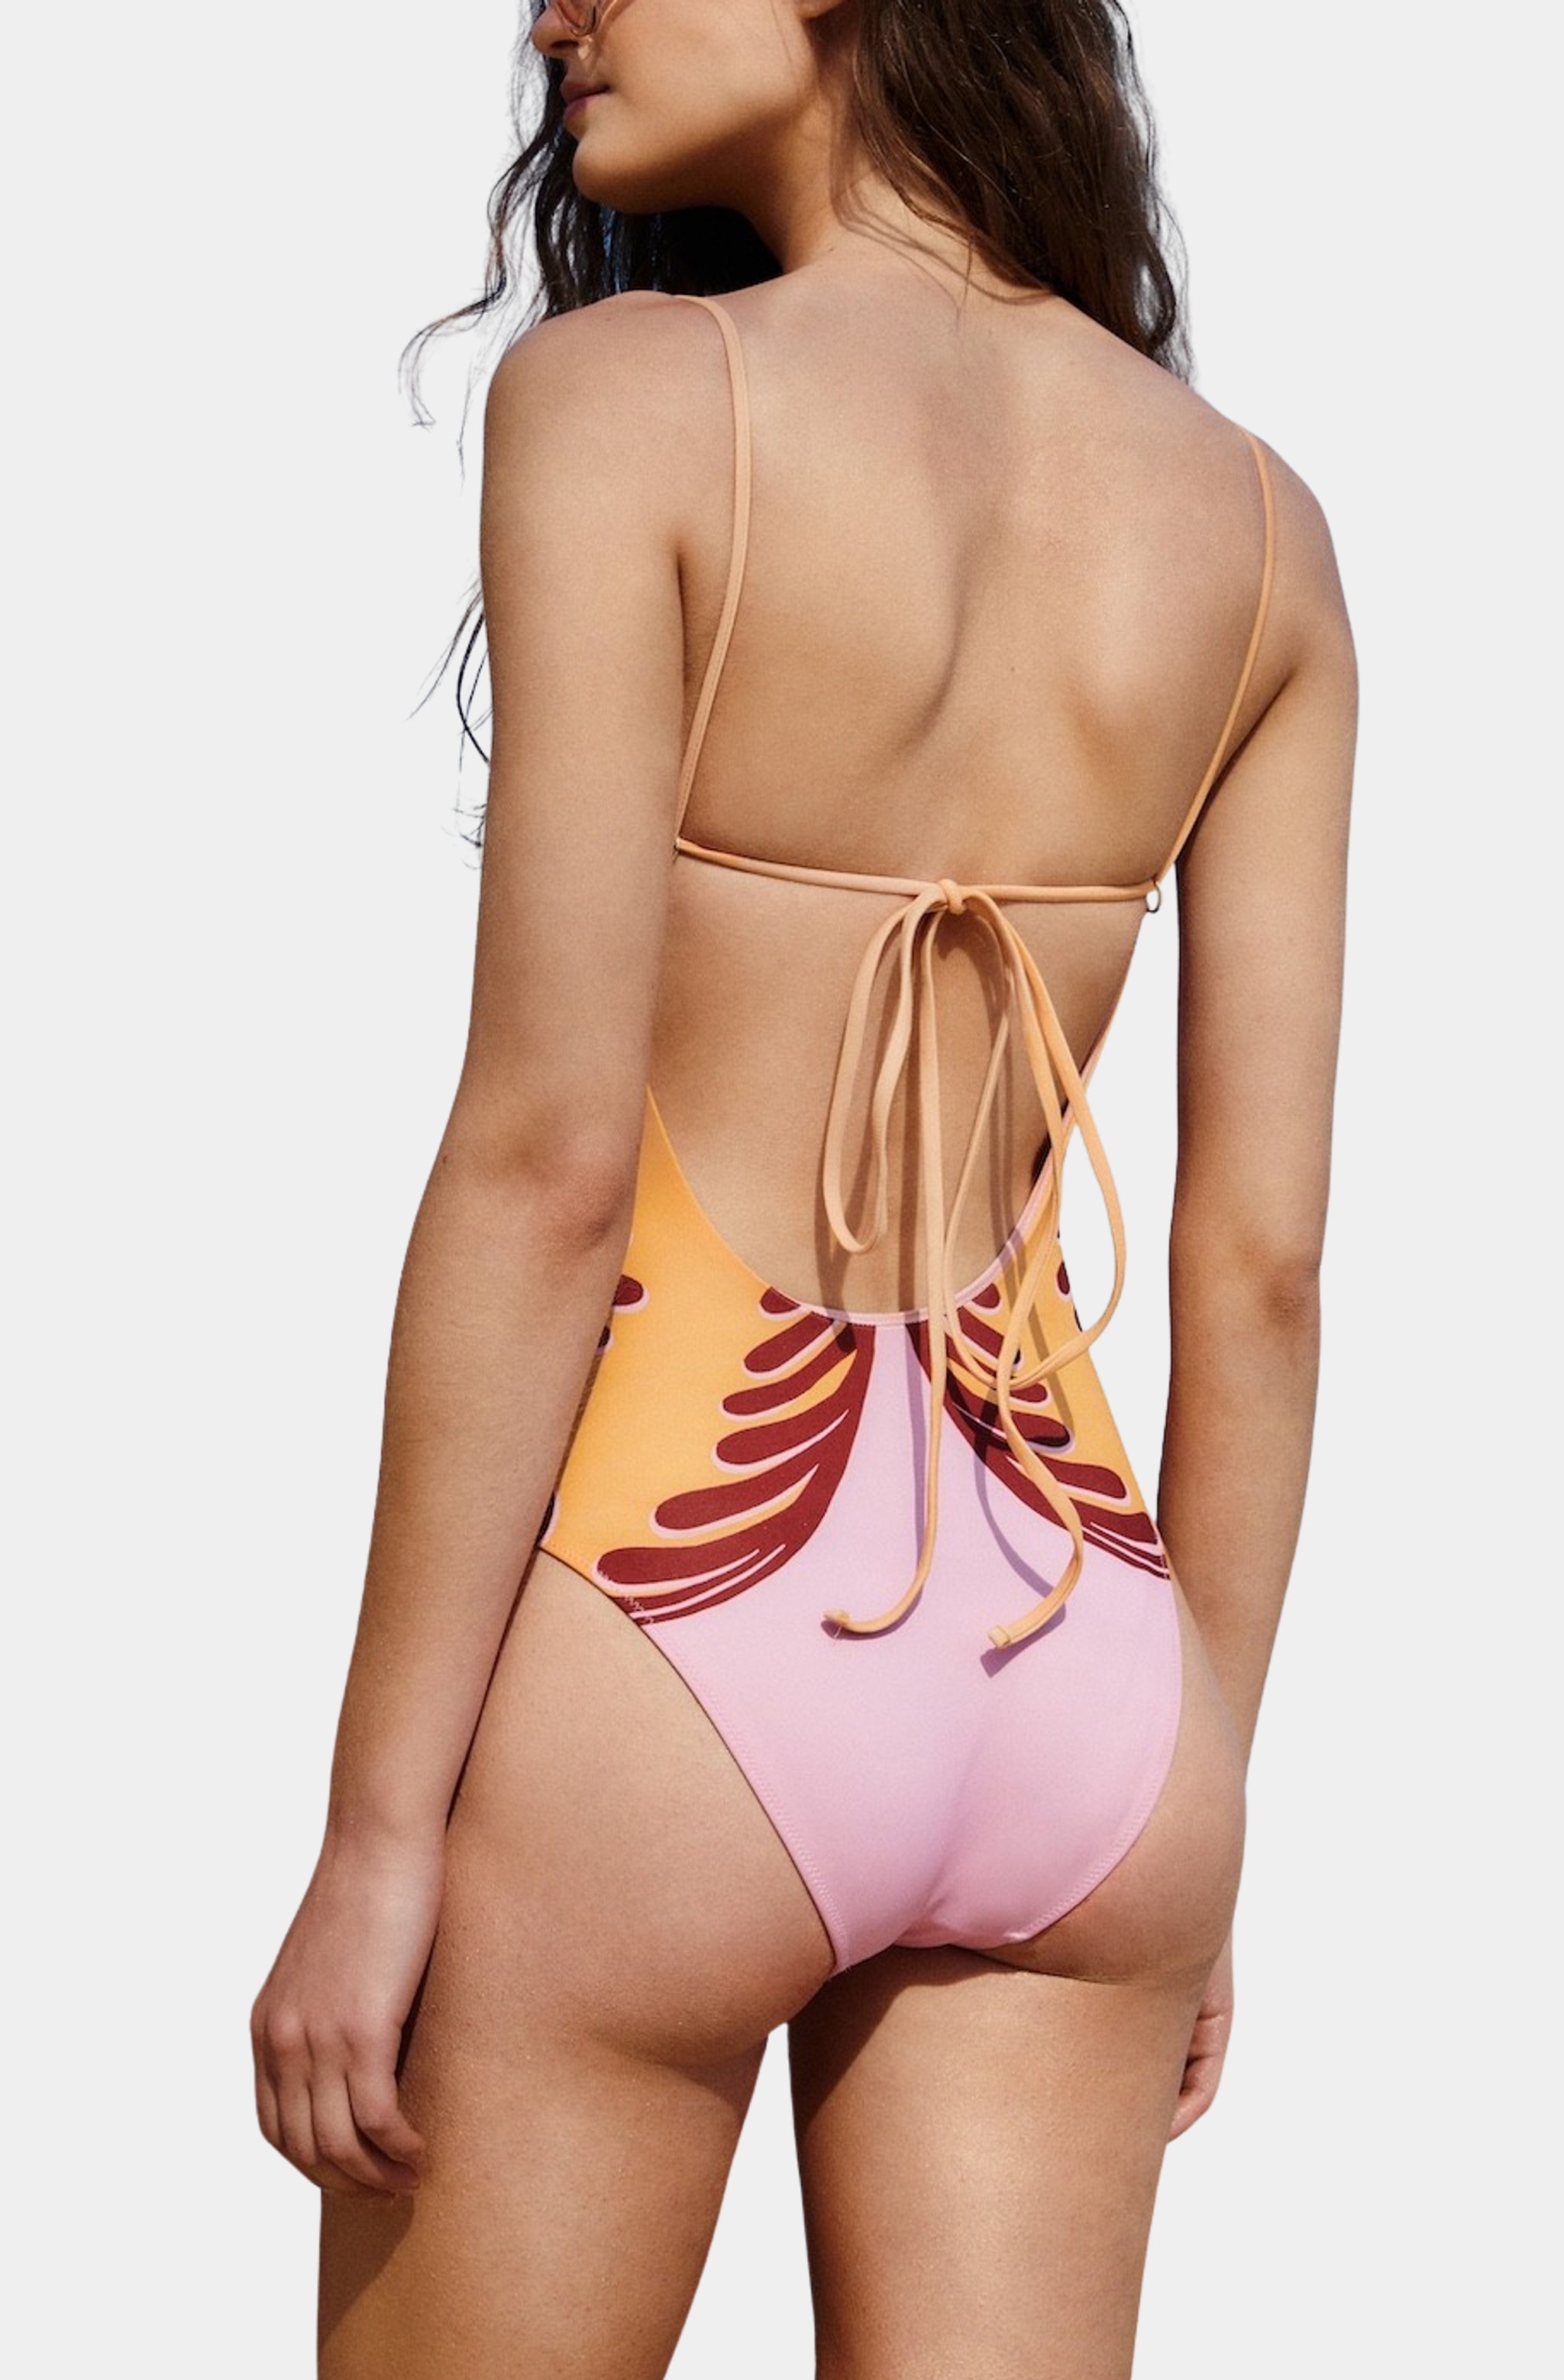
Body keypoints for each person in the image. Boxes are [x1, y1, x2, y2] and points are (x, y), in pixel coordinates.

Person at [250, 1, 1356, 2371]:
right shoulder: (1261, 528)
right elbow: (1261, 1266)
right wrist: (1205, 1795)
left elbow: (549, 1164)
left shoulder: (635, 405)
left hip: (673, 1624)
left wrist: (374, 1831)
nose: (554, 15)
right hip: (1083, 1659)